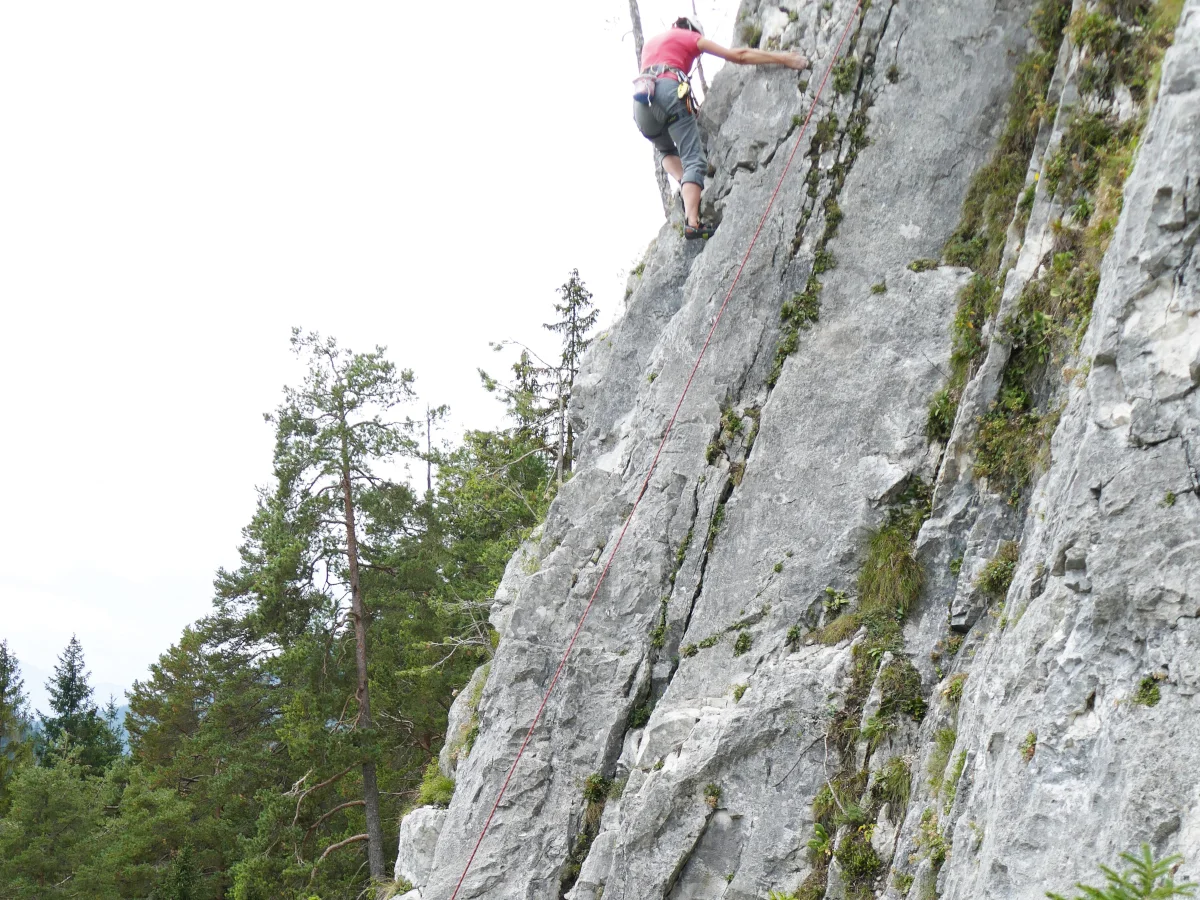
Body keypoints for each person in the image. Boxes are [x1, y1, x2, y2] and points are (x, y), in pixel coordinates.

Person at [633, 17, 809, 239]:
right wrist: (784, 58)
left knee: (666, 152)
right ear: (692, 29)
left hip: (641, 103)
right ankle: (693, 222)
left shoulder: (651, 44)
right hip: (668, 92)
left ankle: (685, 183)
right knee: (694, 161)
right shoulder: (691, 37)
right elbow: (739, 56)